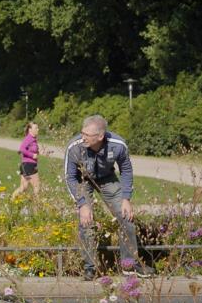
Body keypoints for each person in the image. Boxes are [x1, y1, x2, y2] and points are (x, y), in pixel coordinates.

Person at [64, 115, 150, 280]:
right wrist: (82, 204)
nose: (82, 137)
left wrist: (126, 198)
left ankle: (129, 266)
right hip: (83, 180)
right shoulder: (74, 147)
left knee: (127, 217)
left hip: (107, 178)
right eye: (82, 133)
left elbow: (126, 169)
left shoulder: (118, 145)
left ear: (100, 136)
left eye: (87, 135)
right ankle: (90, 268)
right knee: (86, 221)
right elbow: (70, 177)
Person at [11, 122, 41, 198]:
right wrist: (32, 155)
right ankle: (37, 207)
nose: (38, 129)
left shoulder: (33, 139)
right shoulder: (29, 138)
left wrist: (38, 152)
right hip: (29, 165)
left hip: (26, 165)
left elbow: (31, 150)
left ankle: (11, 199)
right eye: (36, 128)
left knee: (23, 187)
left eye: (38, 128)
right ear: (30, 130)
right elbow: (22, 149)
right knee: (36, 187)